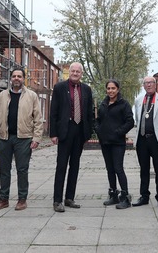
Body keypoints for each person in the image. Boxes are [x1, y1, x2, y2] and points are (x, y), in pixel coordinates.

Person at [0, 68, 43, 211]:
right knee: (4, 170)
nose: (16, 78)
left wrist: (36, 138)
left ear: (23, 79)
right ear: (10, 78)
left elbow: (38, 119)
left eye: (19, 76)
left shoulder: (31, 96)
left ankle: (22, 199)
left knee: (22, 170)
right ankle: (3, 199)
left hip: (24, 138)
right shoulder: (2, 95)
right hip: (5, 138)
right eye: (14, 76)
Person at [50, 62, 94, 212]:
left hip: (80, 131)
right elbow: (53, 111)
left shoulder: (87, 89)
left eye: (78, 71)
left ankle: (69, 198)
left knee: (75, 166)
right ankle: (57, 200)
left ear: (82, 73)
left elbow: (90, 112)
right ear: (69, 72)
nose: (75, 73)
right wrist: (53, 133)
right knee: (61, 165)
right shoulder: (59, 88)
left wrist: (88, 133)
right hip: (65, 131)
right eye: (73, 71)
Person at [132, 76, 158, 209]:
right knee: (144, 170)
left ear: (155, 84)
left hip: (156, 140)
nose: (148, 85)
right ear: (143, 86)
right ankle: (144, 196)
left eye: (151, 82)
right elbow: (137, 120)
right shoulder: (139, 100)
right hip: (142, 140)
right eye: (146, 83)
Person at [95, 79, 135, 209]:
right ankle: (113, 195)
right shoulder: (103, 104)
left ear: (118, 89)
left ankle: (125, 197)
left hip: (117, 143)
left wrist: (118, 132)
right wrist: (98, 130)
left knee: (118, 168)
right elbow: (98, 119)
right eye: (108, 88)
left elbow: (130, 121)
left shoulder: (123, 104)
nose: (110, 91)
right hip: (105, 142)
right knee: (110, 169)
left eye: (113, 88)